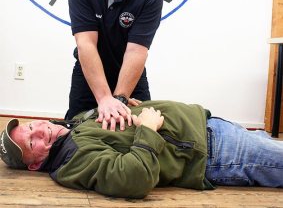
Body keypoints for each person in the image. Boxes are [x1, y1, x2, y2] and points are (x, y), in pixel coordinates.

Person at [1, 100, 283, 199]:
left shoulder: (73, 127)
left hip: (209, 127)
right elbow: (133, 178)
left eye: (27, 128)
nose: (36, 130)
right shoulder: (71, 160)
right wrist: (147, 129)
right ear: (35, 164)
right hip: (216, 152)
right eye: (30, 142)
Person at [66, 0, 163, 129]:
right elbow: (86, 45)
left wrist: (118, 100)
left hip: (130, 73)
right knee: (75, 131)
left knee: (140, 129)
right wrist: (103, 99)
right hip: (88, 72)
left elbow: (137, 51)